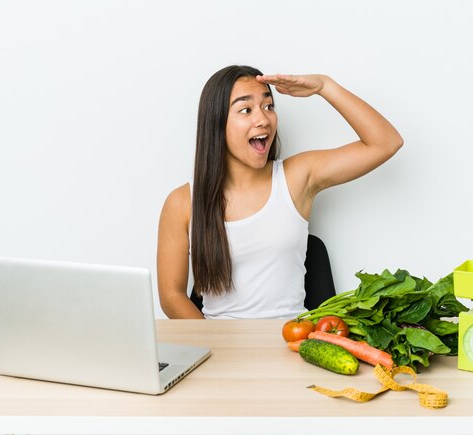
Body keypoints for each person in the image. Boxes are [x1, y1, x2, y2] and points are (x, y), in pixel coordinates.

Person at [157, 65, 403, 319]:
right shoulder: (182, 202)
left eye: (268, 106)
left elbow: (386, 142)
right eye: (246, 110)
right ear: (216, 123)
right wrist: (216, 346)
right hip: (218, 347)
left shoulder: (296, 178)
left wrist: (325, 86)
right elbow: (171, 296)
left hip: (292, 343)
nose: (263, 119)